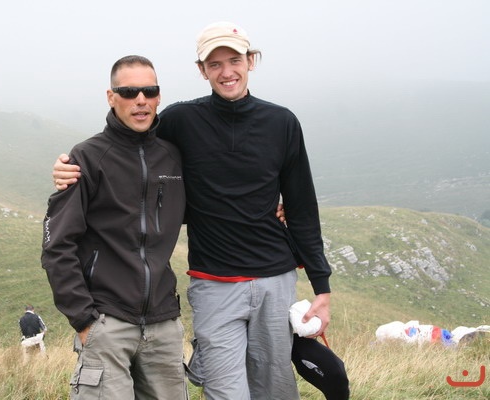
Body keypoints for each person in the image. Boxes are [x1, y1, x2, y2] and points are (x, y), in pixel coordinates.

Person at [52, 21, 332, 400]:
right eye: (214, 64)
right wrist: (71, 168)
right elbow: (131, 145)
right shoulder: (180, 121)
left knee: (275, 389)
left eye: (235, 60)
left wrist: (321, 286)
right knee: (225, 393)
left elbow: (302, 207)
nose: (226, 72)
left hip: (273, 278)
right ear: (202, 70)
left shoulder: (282, 122)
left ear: (250, 62)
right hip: (213, 282)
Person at [41, 55, 187, 399]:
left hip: (164, 324)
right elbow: (56, 245)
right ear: (111, 97)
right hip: (107, 322)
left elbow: (210, 208)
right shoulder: (87, 157)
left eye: (150, 91)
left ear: (159, 96)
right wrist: (84, 321)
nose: (141, 100)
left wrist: (274, 208)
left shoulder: (173, 157)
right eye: (129, 92)